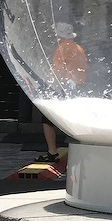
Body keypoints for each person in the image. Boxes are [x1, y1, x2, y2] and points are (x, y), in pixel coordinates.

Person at [39, 23, 87, 162]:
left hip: (63, 87)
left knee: (47, 119)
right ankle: (79, 149)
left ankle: (52, 152)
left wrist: (49, 85)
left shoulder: (62, 49)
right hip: (77, 86)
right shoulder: (78, 48)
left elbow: (57, 71)